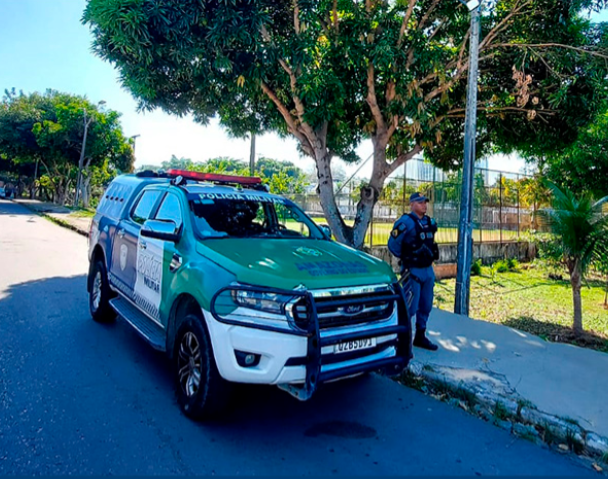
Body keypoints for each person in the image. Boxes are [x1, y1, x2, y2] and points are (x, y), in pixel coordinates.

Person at [388, 192, 440, 351]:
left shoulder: (429, 222)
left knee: (426, 304)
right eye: (420, 202)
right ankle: (402, 338)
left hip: (427, 271)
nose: (424, 205)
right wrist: (406, 258)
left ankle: (420, 336)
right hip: (412, 272)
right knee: (410, 306)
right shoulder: (405, 222)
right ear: (412, 204)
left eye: (425, 202)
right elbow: (393, 244)